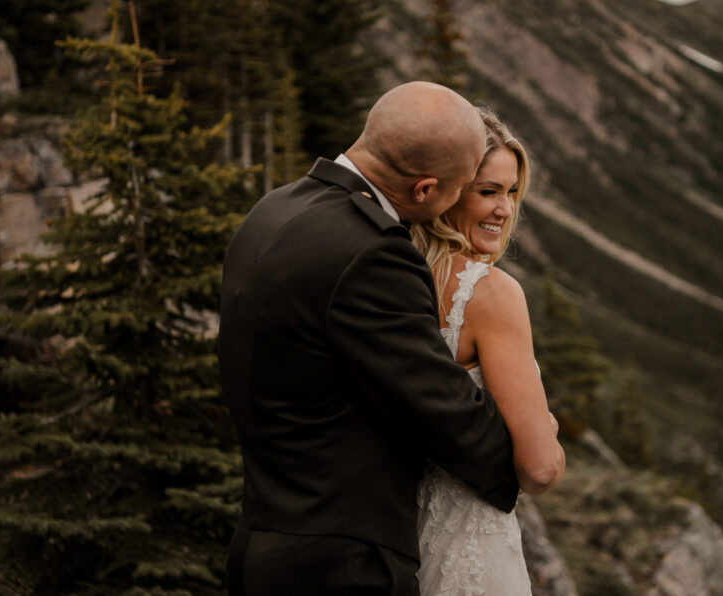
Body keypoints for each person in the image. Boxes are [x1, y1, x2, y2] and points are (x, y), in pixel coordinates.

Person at [218, 82, 521, 596]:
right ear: (424, 189)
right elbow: (447, 415)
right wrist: (528, 448)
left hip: (260, 541)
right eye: (461, 188)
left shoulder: (273, 211)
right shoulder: (373, 253)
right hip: (340, 566)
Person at [411, 108, 565, 595]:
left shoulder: (391, 275)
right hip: (470, 541)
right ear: (450, 190)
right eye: (489, 191)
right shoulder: (491, 293)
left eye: (512, 192)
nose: (505, 209)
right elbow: (538, 469)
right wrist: (550, 435)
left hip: (400, 537)